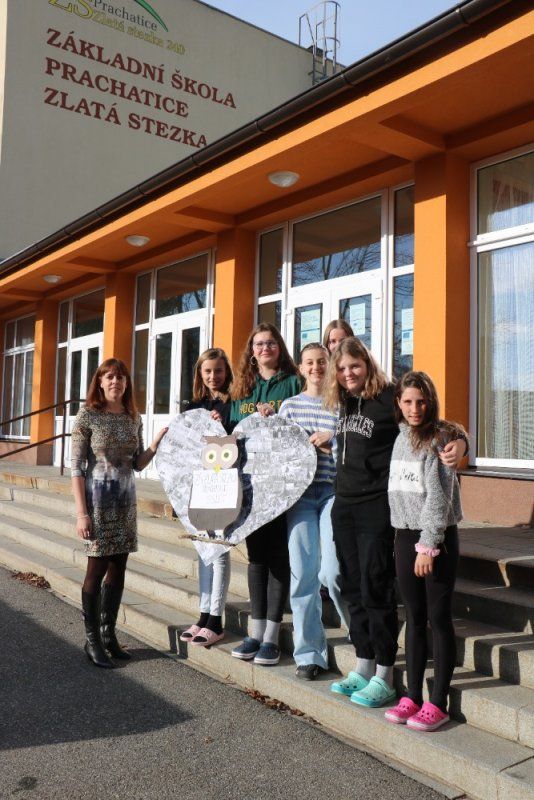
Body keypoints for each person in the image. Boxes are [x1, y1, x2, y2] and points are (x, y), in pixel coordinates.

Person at [323, 338, 466, 707]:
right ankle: (364, 662)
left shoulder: (390, 397)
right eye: (342, 368)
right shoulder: (344, 401)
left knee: (374, 585)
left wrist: (462, 444)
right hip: (345, 504)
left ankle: (385, 673)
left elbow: (442, 427)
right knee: (351, 585)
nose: (348, 373)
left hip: (376, 507)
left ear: (368, 364)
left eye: (355, 366)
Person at [71, 358, 167, 668]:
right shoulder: (87, 415)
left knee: (118, 567)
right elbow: (76, 469)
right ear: (99, 382)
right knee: (96, 569)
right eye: (110, 377)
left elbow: (137, 463)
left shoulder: (132, 417)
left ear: (126, 383)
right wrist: (82, 514)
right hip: (98, 503)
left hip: (125, 502)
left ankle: (108, 634)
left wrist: (155, 444)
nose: (116, 382)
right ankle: (92, 640)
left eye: (121, 377)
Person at [385, 371, 463, 731]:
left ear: (430, 401)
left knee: (438, 618)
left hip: (436, 540)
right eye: (408, 401)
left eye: (421, 401)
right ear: (399, 403)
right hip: (403, 536)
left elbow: (439, 499)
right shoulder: (399, 438)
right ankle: (413, 695)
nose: (415, 408)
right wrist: (404, 541)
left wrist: (427, 546)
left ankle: (438, 703)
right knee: (414, 618)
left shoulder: (440, 439)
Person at [228, 323, 302, 666]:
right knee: (256, 557)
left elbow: (300, 428)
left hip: (282, 483)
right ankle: (255, 633)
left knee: (277, 557)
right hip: (250, 483)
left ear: (279, 347)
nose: (264, 348)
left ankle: (271, 636)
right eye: (258, 344)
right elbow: (232, 431)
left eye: (270, 343)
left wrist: (277, 418)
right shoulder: (242, 386)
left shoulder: (293, 382)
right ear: (251, 350)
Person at [278, 343, 349, 680]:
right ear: (301, 368)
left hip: (333, 493)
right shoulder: (289, 407)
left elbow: (353, 452)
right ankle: (309, 654)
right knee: (303, 574)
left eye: (322, 361)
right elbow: (277, 452)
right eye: (309, 362)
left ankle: (358, 630)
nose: (316, 367)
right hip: (301, 498)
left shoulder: (342, 406)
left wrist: (332, 439)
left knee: (333, 571)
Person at [179, 347, 233, 647]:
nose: (213, 376)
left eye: (219, 370)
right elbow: (185, 444)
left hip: (223, 485)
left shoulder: (233, 403)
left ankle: (216, 619)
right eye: (208, 371)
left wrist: (221, 424)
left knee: (219, 550)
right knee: (202, 549)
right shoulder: (193, 406)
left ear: (227, 372)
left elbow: (236, 440)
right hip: (199, 485)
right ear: (200, 373)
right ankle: (202, 614)